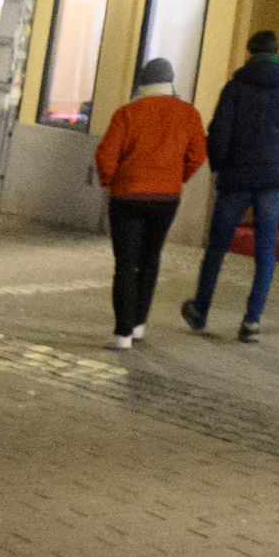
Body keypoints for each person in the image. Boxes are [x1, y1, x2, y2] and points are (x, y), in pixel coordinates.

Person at [185, 28, 279, 340]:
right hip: (272, 180)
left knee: (218, 246)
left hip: (236, 177)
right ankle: (252, 320)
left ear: (250, 54)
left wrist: (220, 165)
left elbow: (219, 132)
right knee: (265, 249)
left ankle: (200, 310)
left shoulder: (235, 88)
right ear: (278, 53)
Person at [90, 59, 207, 351]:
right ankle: (140, 324)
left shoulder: (127, 114)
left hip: (128, 196)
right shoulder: (188, 114)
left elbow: (105, 156)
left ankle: (123, 334)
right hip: (166, 198)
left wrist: (112, 181)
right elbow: (197, 154)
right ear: (170, 82)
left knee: (126, 264)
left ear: (142, 82)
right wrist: (177, 177)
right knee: (151, 258)